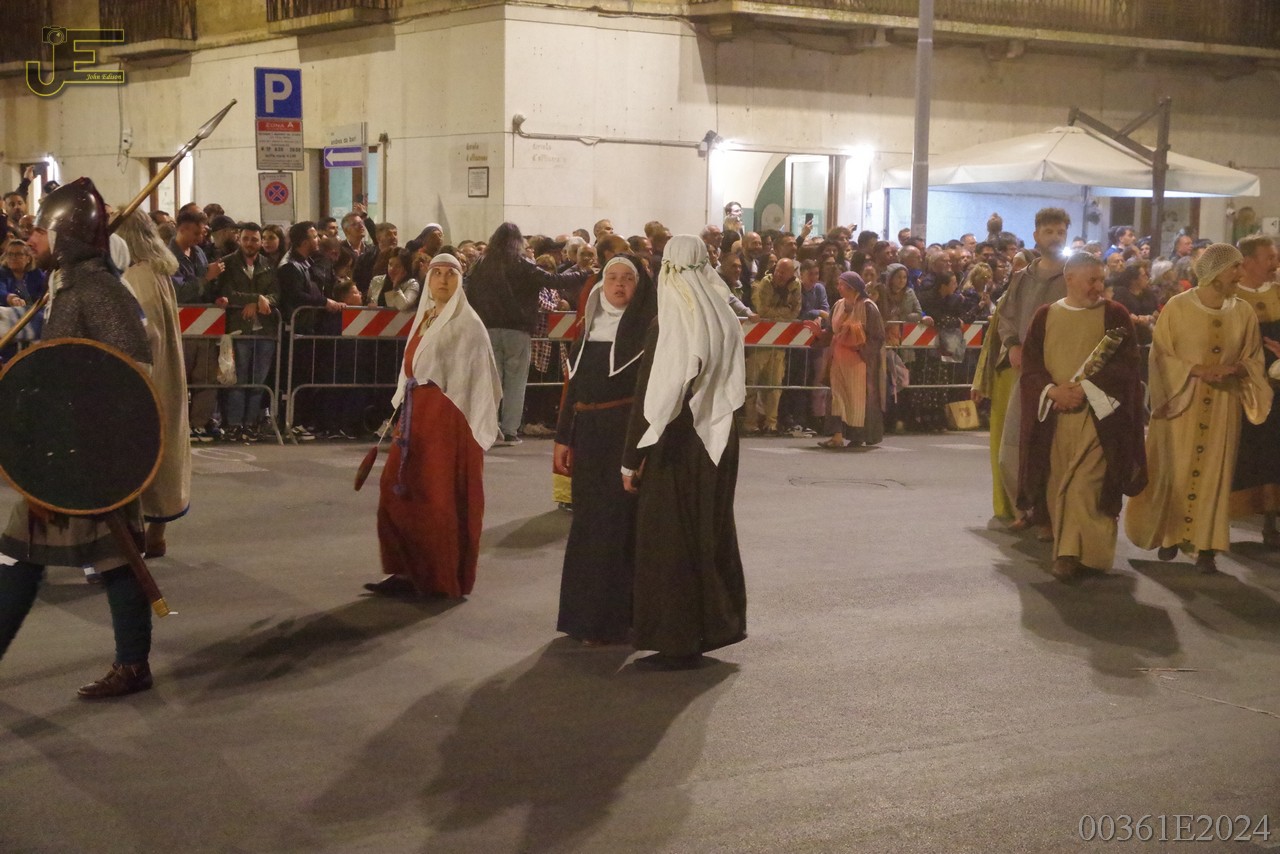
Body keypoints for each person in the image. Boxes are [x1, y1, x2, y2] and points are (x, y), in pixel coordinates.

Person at [0, 178, 156, 698]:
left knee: (109, 556)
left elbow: (132, 375)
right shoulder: (68, 287)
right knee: (32, 554)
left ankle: (133, 665)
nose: (31, 240)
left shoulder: (98, 291)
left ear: (64, 236)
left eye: (39, 231)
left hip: (89, 453)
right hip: (61, 450)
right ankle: (133, 663)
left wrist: (92, 441)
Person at [621, 235, 747, 671]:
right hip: (720, 439)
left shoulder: (672, 321)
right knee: (710, 532)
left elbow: (654, 397)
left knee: (670, 540)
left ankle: (676, 636)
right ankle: (715, 625)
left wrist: (630, 457)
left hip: (677, 443)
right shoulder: (724, 315)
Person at [1125, 244, 1274, 573]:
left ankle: (1207, 546)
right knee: (1175, 471)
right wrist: (1196, 370)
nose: (1240, 274)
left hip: (1224, 406)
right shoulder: (1178, 308)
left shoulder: (1243, 312)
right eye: (1235, 267)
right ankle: (1171, 535)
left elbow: (1253, 358)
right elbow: (1161, 356)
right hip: (1182, 403)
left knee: (1215, 475)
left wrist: (1237, 369)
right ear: (1216, 272)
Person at [364, 254, 501, 598]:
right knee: (397, 489)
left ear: (460, 280)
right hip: (417, 413)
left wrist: (469, 426)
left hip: (447, 418)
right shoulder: (426, 317)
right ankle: (406, 570)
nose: (442, 280)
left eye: (450, 274)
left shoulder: (468, 325)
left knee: (437, 496)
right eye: (436, 273)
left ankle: (439, 577)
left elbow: (480, 381)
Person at [1016, 253, 1147, 582]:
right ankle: (1074, 551)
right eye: (1092, 280)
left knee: (1084, 486)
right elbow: (1031, 366)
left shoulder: (1115, 315)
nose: (1098, 287)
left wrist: (1085, 388)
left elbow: (1127, 366)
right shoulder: (1046, 316)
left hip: (1100, 419)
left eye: (1101, 279)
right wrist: (1052, 392)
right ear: (1070, 278)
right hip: (1057, 418)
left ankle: (1071, 554)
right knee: (1058, 483)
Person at [553, 255, 656, 645]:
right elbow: (574, 389)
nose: (619, 285)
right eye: (612, 277)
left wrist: (638, 450)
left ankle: (611, 621)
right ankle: (581, 617)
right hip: (588, 435)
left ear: (638, 286)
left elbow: (648, 398)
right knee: (586, 524)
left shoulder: (647, 332)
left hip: (621, 434)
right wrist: (563, 437)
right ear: (601, 285)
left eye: (627, 278)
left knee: (616, 526)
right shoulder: (589, 328)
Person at [465, 223, 590, 445]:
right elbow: (554, 281)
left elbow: (469, 290)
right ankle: (510, 430)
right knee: (516, 382)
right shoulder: (523, 264)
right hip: (518, 330)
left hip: (487, 330)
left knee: (490, 382)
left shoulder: (480, 264)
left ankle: (487, 427)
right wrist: (584, 274)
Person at [115, 209, 192, 558]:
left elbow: (145, 336)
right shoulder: (157, 271)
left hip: (148, 377)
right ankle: (156, 533)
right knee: (164, 450)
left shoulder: (136, 277)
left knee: (143, 455)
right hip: (163, 374)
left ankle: (134, 537)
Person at [995, 208, 1070, 531]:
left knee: (1055, 447)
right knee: (1013, 446)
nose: (1055, 237)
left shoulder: (1074, 276)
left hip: (1063, 371)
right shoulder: (1022, 278)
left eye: (1060, 232)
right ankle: (1026, 508)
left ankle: (1052, 516)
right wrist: (1013, 344)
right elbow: (1006, 317)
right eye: (1049, 231)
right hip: (1027, 373)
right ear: (1036, 235)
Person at [1230, 235, 1280, 545]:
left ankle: (1271, 519)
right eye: (1269, 257)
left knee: (1274, 452)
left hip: (1278, 385)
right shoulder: (1232, 297)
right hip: (1243, 385)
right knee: (1244, 451)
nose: (1275, 263)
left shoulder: (1278, 292)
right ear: (1247, 262)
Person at [818, 271, 885, 448]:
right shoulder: (838, 305)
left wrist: (860, 348)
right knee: (837, 397)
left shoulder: (868, 307)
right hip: (838, 361)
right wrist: (820, 334)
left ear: (852, 287)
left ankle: (858, 436)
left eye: (842, 284)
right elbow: (831, 331)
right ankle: (837, 435)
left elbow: (877, 336)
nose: (838, 287)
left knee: (857, 401)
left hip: (859, 363)